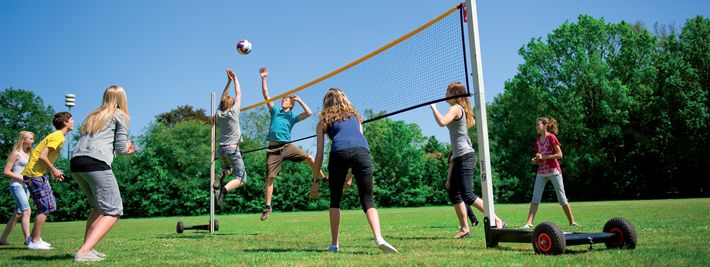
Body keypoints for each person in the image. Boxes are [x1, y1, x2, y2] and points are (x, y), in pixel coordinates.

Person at [312, 88, 397, 254]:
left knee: (335, 201)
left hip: (338, 153)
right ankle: (379, 237)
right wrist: (350, 176)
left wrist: (315, 181)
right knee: (368, 200)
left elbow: (319, 154)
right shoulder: (357, 118)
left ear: (326, 102)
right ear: (344, 99)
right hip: (362, 153)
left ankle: (334, 245)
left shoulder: (323, 121)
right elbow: (360, 145)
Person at [430, 82, 506, 239]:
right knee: (454, 195)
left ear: (454, 93)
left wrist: (433, 108)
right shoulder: (460, 109)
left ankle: (498, 220)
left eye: (447, 91)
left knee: (468, 195)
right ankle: (465, 228)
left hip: (465, 156)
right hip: (459, 157)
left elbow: (442, 122)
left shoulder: (455, 108)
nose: (445, 94)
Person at [70, 85, 136, 262]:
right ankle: (83, 252)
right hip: (96, 164)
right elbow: (121, 148)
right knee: (114, 210)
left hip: (76, 162)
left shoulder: (93, 115)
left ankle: (88, 248)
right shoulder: (121, 115)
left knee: (99, 207)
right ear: (123, 98)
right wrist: (127, 148)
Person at [258, 67, 325, 221]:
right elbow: (266, 95)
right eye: (283, 99)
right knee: (269, 179)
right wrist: (263, 78)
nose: (283, 100)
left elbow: (308, 113)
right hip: (273, 150)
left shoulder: (293, 116)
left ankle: (323, 178)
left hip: (287, 147)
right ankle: (268, 207)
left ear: (291, 105)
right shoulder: (275, 111)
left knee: (309, 158)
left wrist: (299, 100)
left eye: (287, 99)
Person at [21, 111, 74, 250]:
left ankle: (33, 239)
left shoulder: (57, 136)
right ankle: (35, 242)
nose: (73, 122)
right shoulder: (58, 137)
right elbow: (42, 157)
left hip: (37, 173)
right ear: (65, 122)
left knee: (47, 205)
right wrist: (54, 170)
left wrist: (50, 171)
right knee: (45, 206)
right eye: (71, 119)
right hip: (35, 174)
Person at [522, 117, 579, 228]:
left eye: (538, 124)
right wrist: (536, 159)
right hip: (541, 172)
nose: (536, 127)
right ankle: (529, 223)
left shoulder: (552, 137)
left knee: (562, 198)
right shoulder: (537, 140)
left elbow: (560, 155)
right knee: (535, 198)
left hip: (554, 171)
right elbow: (540, 155)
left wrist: (544, 157)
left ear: (545, 126)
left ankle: (572, 222)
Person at [213, 69, 248, 209]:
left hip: (221, 149)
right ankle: (222, 192)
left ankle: (222, 174)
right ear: (232, 105)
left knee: (228, 169)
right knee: (241, 178)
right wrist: (235, 79)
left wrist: (228, 81)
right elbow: (238, 93)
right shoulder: (234, 112)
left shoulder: (218, 114)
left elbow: (224, 96)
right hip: (233, 148)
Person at [0, 131, 35, 246]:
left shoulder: (30, 153)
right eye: (30, 138)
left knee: (18, 214)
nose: (32, 141)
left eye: (33, 139)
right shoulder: (16, 153)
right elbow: (6, 172)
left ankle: (3, 239)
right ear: (23, 139)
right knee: (27, 210)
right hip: (16, 186)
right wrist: (22, 178)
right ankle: (28, 240)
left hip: (26, 187)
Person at [446, 151, 478, 229]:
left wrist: (468, 180)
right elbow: (451, 167)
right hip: (455, 176)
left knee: (466, 197)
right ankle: (469, 222)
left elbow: (467, 169)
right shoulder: (453, 154)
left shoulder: (462, 152)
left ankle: (470, 221)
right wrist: (448, 180)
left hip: (460, 176)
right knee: (460, 199)